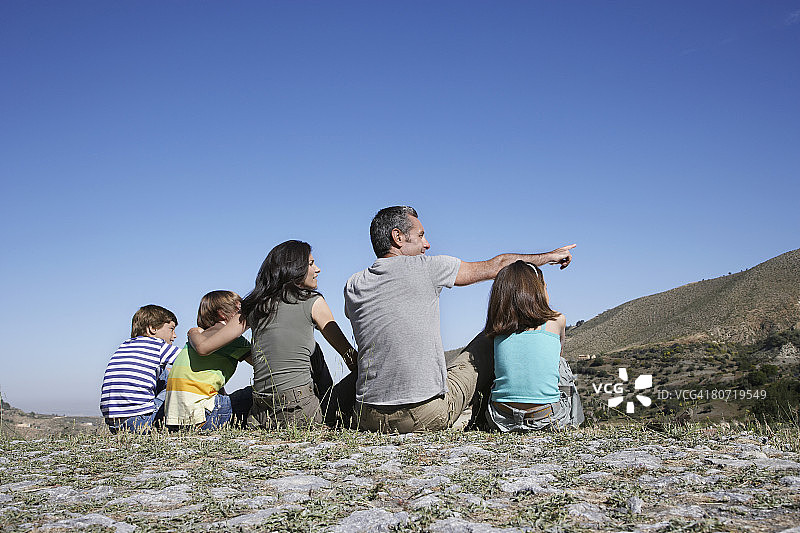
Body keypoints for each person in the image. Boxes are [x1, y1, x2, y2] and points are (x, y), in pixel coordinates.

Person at [344, 205, 575, 433]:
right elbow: (499, 266)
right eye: (421, 236)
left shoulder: (354, 284)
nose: (427, 244)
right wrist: (549, 257)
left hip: (366, 416)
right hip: (423, 416)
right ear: (398, 237)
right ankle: (492, 416)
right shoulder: (428, 267)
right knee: (489, 337)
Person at [188, 240, 357, 429]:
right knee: (365, 368)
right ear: (295, 269)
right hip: (300, 411)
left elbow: (203, 348)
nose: (317, 269)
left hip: (261, 414)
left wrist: (193, 332)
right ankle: (329, 413)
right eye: (311, 264)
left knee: (314, 351)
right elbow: (350, 357)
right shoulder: (313, 301)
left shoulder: (254, 306)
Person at [483, 261, 584, 431]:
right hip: (547, 418)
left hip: (501, 418)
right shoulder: (557, 320)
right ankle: (575, 423)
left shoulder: (498, 327)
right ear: (538, 291)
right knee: (560, 363)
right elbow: (557, 356)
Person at [164, 290, 253, 431]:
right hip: (203, 417)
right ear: (222, 314)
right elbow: (263, 364)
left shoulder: (201, 336)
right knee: (256, 392)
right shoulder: (229, 338)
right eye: (239, 311)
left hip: (175, 421)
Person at [100, 305, 181, 434]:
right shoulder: (157, 345)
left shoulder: (125, 345)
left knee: (164, 374)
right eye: (171, 329)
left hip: (113, 423)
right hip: (140, 421)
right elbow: (186, 361)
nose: (174, 336)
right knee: (177, 385)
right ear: (152, 328)